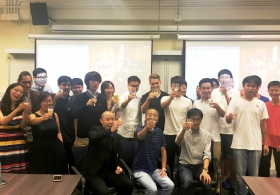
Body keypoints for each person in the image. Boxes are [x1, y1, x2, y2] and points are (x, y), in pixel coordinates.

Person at [226, 75, 269, 195]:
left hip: (255, 144)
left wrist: (265, 144)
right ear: (243, 86)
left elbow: (264, 125)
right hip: (239, 143)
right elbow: (228, 121)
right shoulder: (235, 102)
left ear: (258, 88)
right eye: (248, 85)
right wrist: (229, 118)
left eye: (253, 86)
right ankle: (240, 193)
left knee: (254, 175)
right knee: (240, 174)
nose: (250, 88)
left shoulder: (261, 104)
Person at [80, 111, 134, 195]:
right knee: (103, 193)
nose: (111, 122)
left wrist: (119, 166)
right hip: (94, 172)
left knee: (129, 185)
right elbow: (94, 137)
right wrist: (110, 130)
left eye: (113, 119)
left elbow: (119, 154)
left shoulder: (116, 136)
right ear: (101, 121)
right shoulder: (95, 130)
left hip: (109, 171)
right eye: (107, 119)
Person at [132, 108, 174, 195]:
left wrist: (163, 169)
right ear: (145, 117)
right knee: (153, 189)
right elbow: (140, 137)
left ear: (157, 119)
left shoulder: (159, 132)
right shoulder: (139, 129)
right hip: (139, 170)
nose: (152, 117)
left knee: (170, 185)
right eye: (149, 115)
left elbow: (163, 151)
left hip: (154, 169)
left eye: (155, 115)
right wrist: (147, 128)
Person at [161, 76, 192, 179]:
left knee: (182, 160)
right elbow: (163, 106)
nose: (177, 88)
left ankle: (180, 180)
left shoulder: (187, 101)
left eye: (179, 86)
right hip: (168, 134)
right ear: (171, 86)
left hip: (182, 134)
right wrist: (171, 97)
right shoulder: (165, 98)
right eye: (175, 85)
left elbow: (189, 118)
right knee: (168, 159)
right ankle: (168, 180)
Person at [28, 92, 68, 174]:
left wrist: (61, 145)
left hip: (56, 148)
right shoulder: (33, 115)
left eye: (50, 101)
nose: (48, 103)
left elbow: (58, 132)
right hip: (40, 149)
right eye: (45, 101)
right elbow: (33, 121)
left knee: (57, 171)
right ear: (40, 102)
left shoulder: (55, 115)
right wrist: (42, 118)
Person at [176, 108, 212, 195]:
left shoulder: (206, 135)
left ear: (201, 120)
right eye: (192, 119)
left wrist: (205, 170)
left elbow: (207, 154)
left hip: (199, 166)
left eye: (198, 119)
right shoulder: (182, 131)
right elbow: (178, 143)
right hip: (185, 165)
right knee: (187, 182)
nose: (195, 122)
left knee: (207, 183)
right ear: (188, 119)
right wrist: (184, 130)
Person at [217, 69, 240, 194]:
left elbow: (232, 106)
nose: (224, 79)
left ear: (231, 79)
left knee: (232, 159)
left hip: (231, 131)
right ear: (219, 79)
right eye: (222, 77)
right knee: (221, 158)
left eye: (227, 77)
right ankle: (221, 182)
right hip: (217, 130)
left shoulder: (236, 93)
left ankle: (232, 184)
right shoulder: (215, 92)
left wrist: (226, 94)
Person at [71, 71, 107, 146]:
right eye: (93, 80)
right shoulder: (80, 97)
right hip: (84, 137)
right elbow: (74, 115)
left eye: (98, 81)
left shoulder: (102, 98)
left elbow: (104, 116)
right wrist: (86, 105)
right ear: (87, 82)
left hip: (98, 136)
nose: (95, 83)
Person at [0, 83, 30, 173]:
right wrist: (17, 109)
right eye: (16, 90)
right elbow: (3, 122)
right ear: (9, 90)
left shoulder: (22, 107)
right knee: (5, 173)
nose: (18, 93)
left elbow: (23, 126)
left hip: (18, 143)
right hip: (4, 144)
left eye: (21, 92)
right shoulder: (1, 105)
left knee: (19, 173)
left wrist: (25, 112)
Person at [193, 78, 225, 160]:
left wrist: (217, 106)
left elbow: (223, 114)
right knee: (199, 162)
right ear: (199, 89)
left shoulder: (218, 101)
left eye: (208, 88)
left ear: (212, 89)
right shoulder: (196, 103)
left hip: (214, 138)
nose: (206, 90)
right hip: (199, 138)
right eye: (203, 88)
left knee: (215, 164)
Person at [53, 76, 75, 174]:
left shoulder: (73, 100)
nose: (66, 87)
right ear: (58, 85)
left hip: (70, 136)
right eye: (63, 84)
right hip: (56, 135)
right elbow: (48, 113)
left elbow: (75, 119)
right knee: (60, 162)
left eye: (68, 85)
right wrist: (54, 100)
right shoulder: (53, 98)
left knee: (71, 161)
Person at [259, 81, 280, 178]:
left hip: (279, 142)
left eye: (277, 90)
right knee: (263, 168)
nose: (274, 92)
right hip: (265, 142)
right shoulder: (264, 105)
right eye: (272, 90)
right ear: (268, 91)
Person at [17, 71, 40, 158]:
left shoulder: (37, 95)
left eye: (29, 82)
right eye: (24, 82)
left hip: (34, 133)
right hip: (18, 132)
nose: (27, 85)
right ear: (18, 81)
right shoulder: (14, 95)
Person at [117, 76, 142, 140]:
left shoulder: (139, 98)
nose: (134, 88)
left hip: (136, 131)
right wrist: (128, 100)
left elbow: (139, 115)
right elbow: (122, 106)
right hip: (123, 132)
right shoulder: (122, 96)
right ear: (128, 85)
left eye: (136, 86)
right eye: (132, 85)